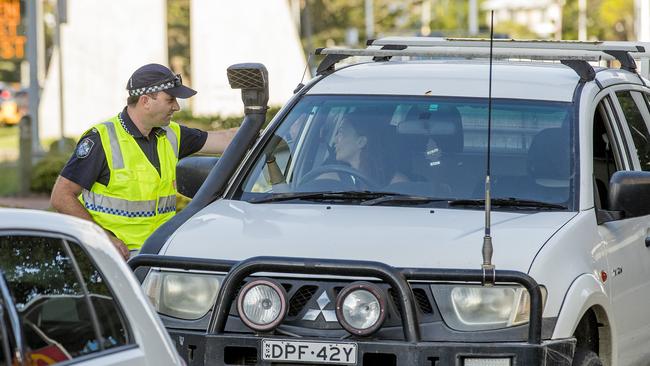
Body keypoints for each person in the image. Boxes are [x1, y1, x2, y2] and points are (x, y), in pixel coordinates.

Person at [50, 63, 237, 260]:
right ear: (146, 101)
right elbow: (61, 196)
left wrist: (266, 132)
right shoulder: (102, 139)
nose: (177, 106)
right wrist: (103, 238)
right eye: (170, 99)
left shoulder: (172, 134)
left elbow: (226, 139)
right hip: (114, 258)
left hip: (159, 253)